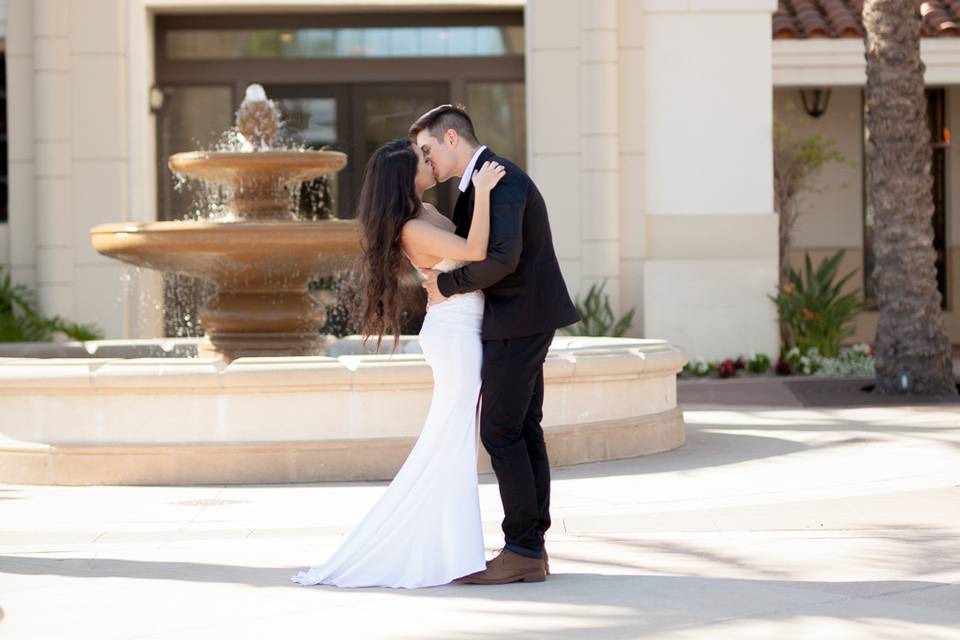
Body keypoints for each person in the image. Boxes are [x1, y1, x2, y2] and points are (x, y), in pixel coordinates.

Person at [290, 137, 506, 588]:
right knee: (449, 440)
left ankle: (451, 547)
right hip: (456, 333)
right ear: (406, 177)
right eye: (421, 160)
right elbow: (476, 250)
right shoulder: (412, 225)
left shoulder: (424, 213)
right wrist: (483, 191)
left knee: (452, 440)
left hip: (461, 326)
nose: (430, 162)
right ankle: (443, 549)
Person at [411, 105, 580, 585]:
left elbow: (502, 259)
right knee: (523, 428)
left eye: (428, 151)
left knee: (502, 431)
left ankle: (523, 547)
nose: (427, 161)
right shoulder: (478, 186)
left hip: (518, 319)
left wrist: (448, 286)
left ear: (450, 138)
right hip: (520, 318)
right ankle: (532, 545)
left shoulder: (499, 180)